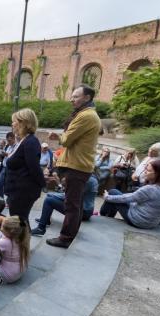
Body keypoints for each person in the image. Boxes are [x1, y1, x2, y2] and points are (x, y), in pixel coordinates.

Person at [46, 84, 101, 249]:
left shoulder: (86, 116)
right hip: (78, 165)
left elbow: (67, 140)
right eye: (72, 96)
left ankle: (65, 238)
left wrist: (58, 136)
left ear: (87, 98)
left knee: (72, 204)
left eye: (76, 96)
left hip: (77, 167)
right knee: (74, 203)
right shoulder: (87, 114)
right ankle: (69, 235)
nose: (72, 99)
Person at [100, 160, 160, 229]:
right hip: (153, 223)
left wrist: (107, 197)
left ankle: (103, 215)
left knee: (113, 192)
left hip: (137, 221)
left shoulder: (151, 189)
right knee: (118, 197)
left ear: (158, 174)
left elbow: (127, 198)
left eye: (148, 170)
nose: (145, 172)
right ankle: (108, 216)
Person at [4, 109, 45, 224]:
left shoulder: (31, 142)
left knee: (19, 223)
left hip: (23, 192)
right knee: (20, 222)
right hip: (18, 191)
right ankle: (22, 242)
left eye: (14, 121)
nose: (12, 124)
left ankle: (23, 242)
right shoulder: (24, 140)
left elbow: (34, 168)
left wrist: (42, 185)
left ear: (24, 123)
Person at [31, 175, 99, 236]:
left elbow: (69, 196)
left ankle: (41, 228)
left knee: (48, 200)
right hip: (84, 210)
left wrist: (52, 194)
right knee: (51, 198)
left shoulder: (87, 180)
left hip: (83, 212)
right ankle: (46, 220)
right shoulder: (91, 178)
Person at [0, 215, 30, 284]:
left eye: (2, 227)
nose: (0, 228)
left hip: (7, 276)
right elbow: (1, 218)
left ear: (11, 231)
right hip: (18, 270)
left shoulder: (5, 242)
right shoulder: (21, 235)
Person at [0, 132, 16, 198]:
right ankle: (0, 199)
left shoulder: (17, 146)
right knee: (0, 184)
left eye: (10, 140)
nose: (8, 142)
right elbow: (3, 155)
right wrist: (2, 154)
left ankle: (8, 200)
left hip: (11, 169)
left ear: (14, 138)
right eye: (7, 140)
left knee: (10, 186)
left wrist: (7, 154)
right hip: (4, 167)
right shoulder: (7, 146)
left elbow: (15, 157)